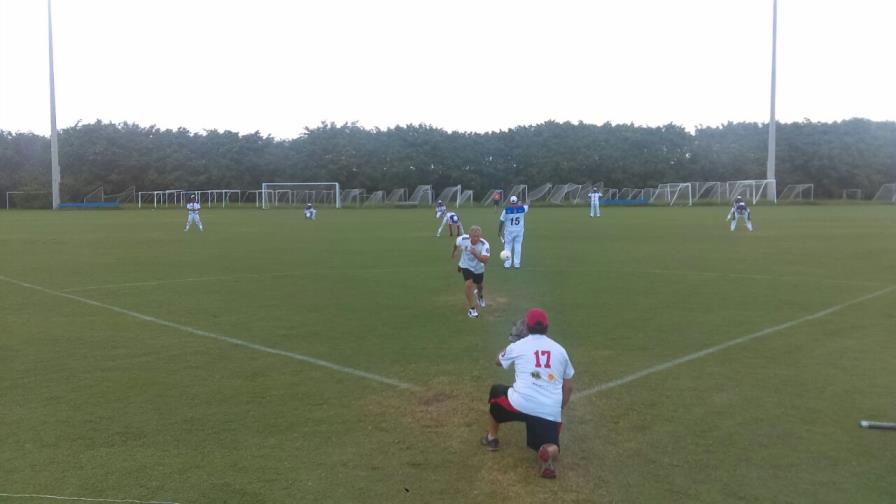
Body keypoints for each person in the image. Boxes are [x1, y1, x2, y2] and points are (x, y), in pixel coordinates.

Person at [481, 308, 574, 479]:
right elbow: (568, 387)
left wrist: (514, 343)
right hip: (548, 410)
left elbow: (497, 361)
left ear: (528, 327)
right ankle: (547, 452)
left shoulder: (519, 345)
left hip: (519, 404)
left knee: (497, 392)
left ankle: (491, 438)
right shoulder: (560, 350)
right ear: (547, 327)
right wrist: (558, 407)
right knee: (553, 447)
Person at [450, 225, 490, 318]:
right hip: (466, 265)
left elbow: (485, 261)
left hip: (479, 267)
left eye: (478, 236)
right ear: (469, 236)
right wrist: (454, 252)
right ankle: (472, 309)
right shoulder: (462, 239)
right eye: (474, 236)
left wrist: (476, 254)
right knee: (469, 284)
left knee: (480, 285)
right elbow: (456, 244)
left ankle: (480, 295)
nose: (476, 238)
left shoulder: (484, 244)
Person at [498, 195, 529, 269]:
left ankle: (507, 264)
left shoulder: (506, 210)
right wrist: (521, 203)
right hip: (519, 231)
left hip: (509, 231)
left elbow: (501, 221)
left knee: (508, 246)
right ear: (517, 201)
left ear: (510, 202)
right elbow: (527, 204)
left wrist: (499, 231)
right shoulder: (522, 208)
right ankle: (517, 264)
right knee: (518, 246)